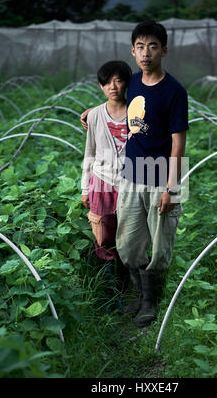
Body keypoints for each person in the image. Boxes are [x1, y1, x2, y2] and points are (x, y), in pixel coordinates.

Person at [81, 20, 189, 327]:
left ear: (163, 50)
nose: (146, 52)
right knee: (127, 245)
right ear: (133, 51)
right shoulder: (134, 84)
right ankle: (138, 294)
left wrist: (171, 186)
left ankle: (149, 302)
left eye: (153, 46)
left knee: (160, 245)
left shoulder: (174, 91)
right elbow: (112, 100)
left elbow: (179, 142)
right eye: (140, 47)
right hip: (131, 175)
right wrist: (89, 112)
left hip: (161, 177)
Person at [81, 60, 132, 308]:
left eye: (119, 80)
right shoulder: (95, 116)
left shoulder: (138, 113)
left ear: (127, 83)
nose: (113, 86)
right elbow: (89, 153)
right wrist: (84, 188)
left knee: (129, 234)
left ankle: (126, 283)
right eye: (107, 82)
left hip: (131, 183)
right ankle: (109, 291)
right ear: (101, 86)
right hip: (101, 182)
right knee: (102, 234)